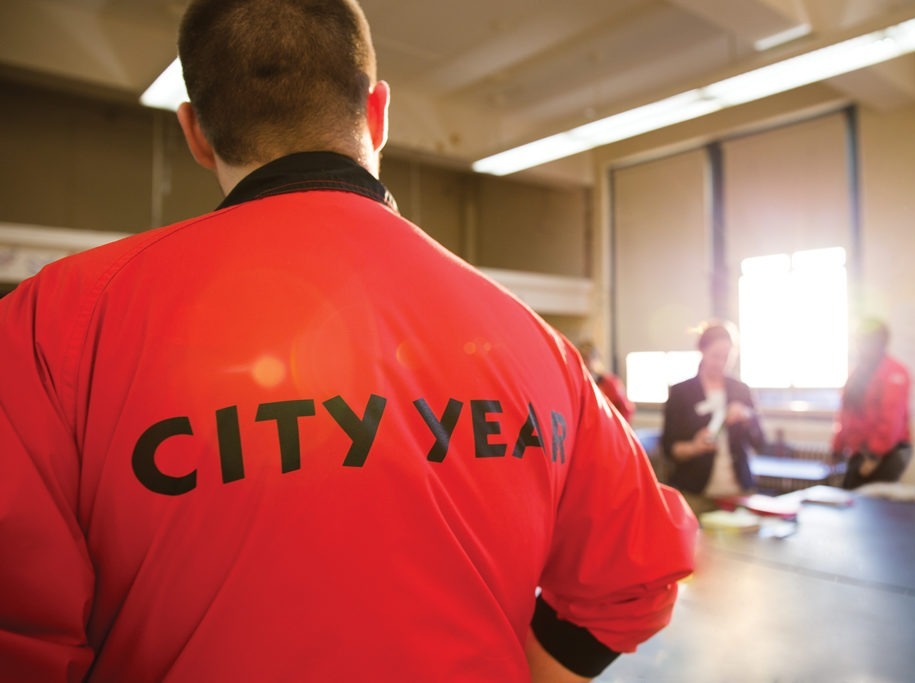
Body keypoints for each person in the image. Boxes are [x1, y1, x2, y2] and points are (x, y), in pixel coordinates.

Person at [0, 1, 697, 681]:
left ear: (196, 131)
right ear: (378, 111)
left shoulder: (54, 323)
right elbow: (639, 570)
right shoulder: (531, 339)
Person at [660, 321, 765, 516]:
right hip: (695, 494)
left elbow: (760, 442)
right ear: (702, 351)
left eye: (727, 357)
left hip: (738, 491)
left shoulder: (741, 390)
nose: (721, 363)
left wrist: (746, 416)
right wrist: (694, 447)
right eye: (715, 356)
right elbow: (668, 448)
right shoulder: (681, 392)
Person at [831, 317, 913, 490]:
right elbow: (846, 414)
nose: (862, 346)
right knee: (850, 492)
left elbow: (891, 418)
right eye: (860, 340)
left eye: (867, 341)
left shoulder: (894, 372)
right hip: (860, 449)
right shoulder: (858, 373)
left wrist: (874, 455)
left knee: (872, 500)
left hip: (888, 451)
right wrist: (837, 448)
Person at [577, 340, 635, 423]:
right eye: (582, 358)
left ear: (596, 359)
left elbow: (626, 409)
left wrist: (615, 427)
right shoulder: (580, 383)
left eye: (587, 358)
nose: (585, 363)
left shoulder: (610, 383)